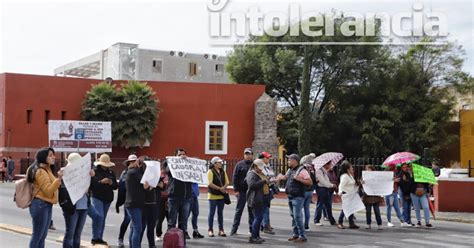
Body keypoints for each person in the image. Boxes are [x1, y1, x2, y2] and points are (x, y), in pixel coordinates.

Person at [27, 147, 63, 248]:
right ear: (43, 157)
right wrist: (58, 179)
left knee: (42, 236)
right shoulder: (40, 171)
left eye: (53, 155)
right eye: (50, 155)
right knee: (38, 235)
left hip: (46, 204)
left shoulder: (47, 169)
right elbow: (48, 191)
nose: (53, 157)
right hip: (40, 204)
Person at [60, 153, 94, 248]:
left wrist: (92, 177)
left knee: (78, 234)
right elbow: (62, 190)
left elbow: (92, 188)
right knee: (70, 233)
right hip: (71, 207)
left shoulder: (85, 172)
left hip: (83, 205)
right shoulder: (65, 173)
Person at [275, 154, 312, 243]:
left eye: (289, 160)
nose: (288, 162)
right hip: (290, 196)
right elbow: (285, 177)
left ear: (295, 161)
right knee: (293, 216)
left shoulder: (302, 170)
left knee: (297, 216)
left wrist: (300, 179)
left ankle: (302, 236)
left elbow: (310, 182)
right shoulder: (290, 170)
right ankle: (295, 234)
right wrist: (280, 177)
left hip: (298, 197)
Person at [88, 153, 118, 246]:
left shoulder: (111, 172)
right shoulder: (95, 171)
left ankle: (99, 237)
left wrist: (110, 182)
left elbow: (115, 186)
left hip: (108, 198)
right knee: (98, 217)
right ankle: (95, 237)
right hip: (97, 197)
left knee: (103, 219)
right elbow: (93, 186)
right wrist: (101, 182)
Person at [124, 154, 150, 248]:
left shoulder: (132, 171)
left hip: (134, 203)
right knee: (137, 228)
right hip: (134, 204)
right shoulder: (135, 172)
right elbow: (145, 185)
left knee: (134, 227)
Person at [167, 148, 193, 237]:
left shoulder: (189, 166)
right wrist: (175, 162)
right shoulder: (170, 165)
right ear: (175, 157)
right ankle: (171, 242)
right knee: (172, 222)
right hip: (174, 197)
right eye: (179, 155)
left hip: (186, 198)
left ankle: (181, 243)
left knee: (183, 223)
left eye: (184, 154)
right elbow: (167, 171)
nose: (182, 156)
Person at [245, 159, 271, 244]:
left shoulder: (260, 173)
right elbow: (252, 185)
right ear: (255, 166)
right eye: (259, 167)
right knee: (257, 218)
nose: (260, 169)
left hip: (262, 199)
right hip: (255, 199)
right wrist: (263, 181)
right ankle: (253, 237)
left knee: (259, 218)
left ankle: (257, 235)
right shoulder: (251, 174)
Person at [230, 148, 254, 236]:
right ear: (244, 155)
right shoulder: (239, 164)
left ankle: (252, 230)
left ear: (252, 155)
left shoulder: (254, 165)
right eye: (246, 154)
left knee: (251, 211)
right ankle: (233, 230)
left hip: (252, 192)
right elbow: (235, 178)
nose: (248, 155)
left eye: (249, 154)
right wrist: (236, 190)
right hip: (242, 191)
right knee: (239, 211)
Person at [207, 156, 229, 237]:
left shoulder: (223, 171)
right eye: (219, 162)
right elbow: (210, 183)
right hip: (212, 195)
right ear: (214, 164)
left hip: (221, 196)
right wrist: (220, 188)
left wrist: (223, 187)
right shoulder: (210, 171)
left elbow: (227, 182)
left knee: (220, 213)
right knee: (211, 213)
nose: (221, 164)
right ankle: (210, 230)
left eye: (221, 162)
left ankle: (221, 230)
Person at [139, 157, 158, 248]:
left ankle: (152, 245)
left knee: (151, 227)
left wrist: (160, 185)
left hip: (153, 203)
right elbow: (138, 189)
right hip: (143, 204)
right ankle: (137, 244)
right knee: (141, 227)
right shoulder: (139, 174)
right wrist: (146, 189)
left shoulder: (154, 174)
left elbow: (162, 186)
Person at [337, 160, 359, 229]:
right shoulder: (345, 176)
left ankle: (351, 223)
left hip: (351, 194)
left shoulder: (350, 176)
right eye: (351, 167)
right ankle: (340, 222)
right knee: (345, 209)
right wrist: (340, 192)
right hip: (346, 194)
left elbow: (352, 184)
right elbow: (341, 185)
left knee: (351, 209)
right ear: (347, 169)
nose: (352, 168)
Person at [313, 161, 337, 226]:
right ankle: (316, 220)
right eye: (329, 165)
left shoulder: (324, 171)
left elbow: (327, 180)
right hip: (321, 189)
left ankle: (332, 220)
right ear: (326, 164)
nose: (330, 166)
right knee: (320, 205)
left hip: (325, 189)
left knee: (328, 205)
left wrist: (330, 185)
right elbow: (323, 181)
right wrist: (331, 185)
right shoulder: (319, 171)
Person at [361, 165, 383, 230]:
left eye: (368, 169)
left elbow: (381, 184)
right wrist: (362, 183)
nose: (367, 170)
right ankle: (368, 224)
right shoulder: (364, 176)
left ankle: (379, 224)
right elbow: (361, 186)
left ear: (372, 170)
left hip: (375, 196)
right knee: (368, 211)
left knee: (377, 211)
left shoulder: (376, 177)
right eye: (366, 169)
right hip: (367, 197)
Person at [259, 151, 275, 234]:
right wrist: (272, 179)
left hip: (269, 189)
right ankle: (265, 226)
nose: (268, 159)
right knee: (265, 208)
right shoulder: (260, 167)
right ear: (262, 158)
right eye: (267, 158)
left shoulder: (268, 166)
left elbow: (272, 175)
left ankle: (264, 224)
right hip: (263, 190)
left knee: (266, 208)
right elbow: (266, 177)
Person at [300, 153, 316, 230]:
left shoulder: (302, 169)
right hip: (310, 190)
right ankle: (306, 225)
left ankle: (300, 224)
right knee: (307, 209)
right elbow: (314, 180)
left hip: (303, 190)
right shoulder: (312, 169)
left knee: (299, 209)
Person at [116, 160, 130, 247]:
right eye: (131, 162)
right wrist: (118, 203)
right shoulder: (125, 173)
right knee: (127, 220)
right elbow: (121, 188)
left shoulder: (140, 172)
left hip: (139, 200)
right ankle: (120, 238)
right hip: (128, 200)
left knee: (136, 223)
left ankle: (132, 239)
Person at [155, 162, 169, 241]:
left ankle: (169, 234)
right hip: (161, 198)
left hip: (170, 198)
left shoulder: (171, 175)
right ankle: (158, 234)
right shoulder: (159, 175)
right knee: (160, 218)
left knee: (170, 218)